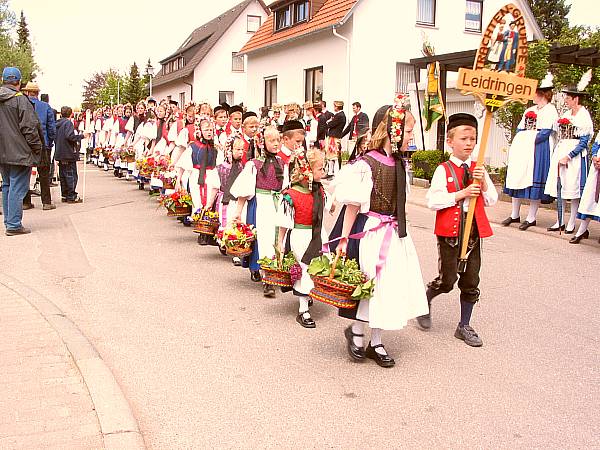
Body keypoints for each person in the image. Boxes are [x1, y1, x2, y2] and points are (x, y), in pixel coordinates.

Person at [329, 97, 429, 368]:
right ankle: (358, 334)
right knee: (370, 285)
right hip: (372, 232)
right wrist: (344, 239)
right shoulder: (366, 164)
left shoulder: (399, 163)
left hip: (393, 233)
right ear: (392, 130)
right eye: (408, 130)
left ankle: (377, 339)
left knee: (387, 287)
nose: (411, 135)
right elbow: (352, 205)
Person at [420, 113, 498, 347]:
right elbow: (433, 201)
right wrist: (461, 194)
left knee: (471, 279)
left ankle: (464, 325)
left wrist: (482, 183)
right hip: (450, 233)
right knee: (448, 280)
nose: (469, 143)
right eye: (464, 138)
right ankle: (427, 297)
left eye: (473, 139)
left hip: (472, 231)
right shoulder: (443, 170)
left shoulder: (479, 169)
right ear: (450, 142)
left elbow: (492, 199)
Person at [231, 126, 286, 293]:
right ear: (262, 143)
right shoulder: (254, 164)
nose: (276, 144)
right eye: (272, 140)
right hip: (261, 203)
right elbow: (244, 190)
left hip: (277, 203)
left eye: (278, 140)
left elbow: (286, 186)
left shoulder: (282, 163)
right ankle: (266, 276)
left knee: (277, 239)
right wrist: (238, 212)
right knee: (263, 238)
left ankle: (274, 271)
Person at [277, 148, 327, 328]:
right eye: (320, 169)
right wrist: (281, 244)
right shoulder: (291, 195)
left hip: (317, 234)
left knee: (316, 268)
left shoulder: (318, 191)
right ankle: (303, 310)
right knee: (305, 269)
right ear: (307, 170)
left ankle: (308, 296)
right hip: (300, 236)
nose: (324, 172)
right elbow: (283, 222)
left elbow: (326, 210)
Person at [502, 75, 557, 230]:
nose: (532, 96)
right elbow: (520, 128)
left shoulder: (550, 111)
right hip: (524, 148)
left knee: (534, 179)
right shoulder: (530, 110)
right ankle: (514, 214)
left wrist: (529, 139)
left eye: (535, 93)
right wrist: (523, 139)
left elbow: (546, 132)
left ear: (542, 95)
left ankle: (531, 217)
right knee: (517, 175)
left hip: (538, 148)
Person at [545, 84, 593, 234]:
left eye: (568, 97)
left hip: (575, 156)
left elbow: (584, 142)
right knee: (561, 186)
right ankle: (560, 220)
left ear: (576, 99)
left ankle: (572, 222)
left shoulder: (584, 116)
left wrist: (569, 156)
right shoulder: (566, 113)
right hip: (562, 148)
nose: (565, 100)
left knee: (573, 189)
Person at [0, 67, 43, 235]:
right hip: (19, 152)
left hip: (2, 152)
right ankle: (13, 224)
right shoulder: (20, 100)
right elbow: (30, 129)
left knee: (7, 186)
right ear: (18, 82)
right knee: (17, 187)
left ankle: (9, 221)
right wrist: (37, 148)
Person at [22, 81, 56, 210]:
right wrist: (50, 141)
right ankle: (46, 202)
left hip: (26, 144)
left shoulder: (23, 105)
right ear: (37, 93)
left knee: (26, 173)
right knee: (44, 174)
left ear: (27, 92)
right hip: (43, 143)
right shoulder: (45, 106)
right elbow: (51, 127)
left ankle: (26, 201)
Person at [573, 131, 600, 244]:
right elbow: (596, 145)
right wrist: (595, 158)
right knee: (590, 199)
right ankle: (581, 231)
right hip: (597, 167)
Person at [55, 106, 86, 203]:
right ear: (71, 114)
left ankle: (64, 194)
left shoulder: (57, 123)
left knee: (63, 175)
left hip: (60, 152)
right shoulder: (68, 123)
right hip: (68, 153)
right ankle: (71, 195)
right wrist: (81, 136)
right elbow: (70, 136)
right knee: (71, 175)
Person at [325, 100, 346, 175]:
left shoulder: (340, 116)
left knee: (334, 155)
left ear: (337, 107)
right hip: (334, 136)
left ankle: (334, 172)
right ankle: (331, 172)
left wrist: (328, 122)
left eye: (334, 106)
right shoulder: (339, 115)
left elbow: (329, 124)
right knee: (331, 155)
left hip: (335, 137)